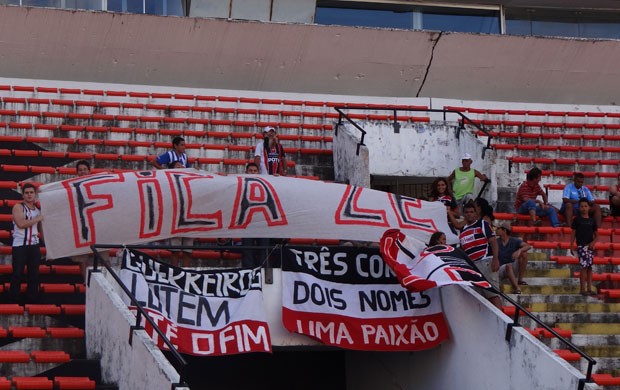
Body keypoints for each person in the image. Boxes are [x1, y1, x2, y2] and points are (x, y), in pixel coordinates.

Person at [458, 202, 502, 309]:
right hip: (473, 266)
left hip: (485, 261)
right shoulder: (462, 230)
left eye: (472, 212)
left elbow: (493, 241)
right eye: (467, 212)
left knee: (492, 294)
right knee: (478, 297)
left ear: (475, 213)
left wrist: (495, 259)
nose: (469, 214)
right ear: (464, 214)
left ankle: (501, 321)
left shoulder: (482, 224)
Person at [9, 183, 44, 303]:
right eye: (27, 193)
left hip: (34, 245)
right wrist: (38, 218)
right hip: (20, 245)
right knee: (17, 273)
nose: (29, 195)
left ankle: (32, 299)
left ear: (35, 194)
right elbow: (21, 224)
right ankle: (14, 298)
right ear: (23, 195)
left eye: (31, 192)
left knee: (33, 274)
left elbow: (41, 230)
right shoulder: (18, 207)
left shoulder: (38, 210)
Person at [241, 162, 269, 268]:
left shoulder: (265, 183)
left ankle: (263, 274)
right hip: (247, 222)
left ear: (258, 172)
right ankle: (248, 274)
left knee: (263, 251)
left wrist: (277, 179)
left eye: (255, 171)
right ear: (246, 172)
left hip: (262, 222)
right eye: (250, 171)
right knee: (247, 251)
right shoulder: (240, 183)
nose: (253, 173)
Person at [570, 198, 598, 296]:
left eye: (585, 206)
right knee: (583, 267)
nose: (584, 208)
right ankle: (582, 289)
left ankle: (589, 288)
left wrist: (593, 243)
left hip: (590, 247)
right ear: (579, 207)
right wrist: (571, 244)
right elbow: (573, 233)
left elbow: (596, 235)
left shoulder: (592, 221)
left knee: (589, 267)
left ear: (589, 207)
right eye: (582, 206)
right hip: (581, 246)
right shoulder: (577, 219)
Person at [494, 221, 531, 294]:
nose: (496, 230)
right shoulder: (496, 241)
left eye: (498, 228)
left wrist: (519, 251)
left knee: (524, 254)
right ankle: (517, 287)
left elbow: (528, 246)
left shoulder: (514, 240)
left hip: (511, 266)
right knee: (508, 266)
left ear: (504, 230)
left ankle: (520, 279)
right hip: (500, 269)